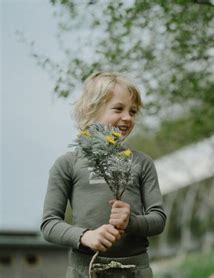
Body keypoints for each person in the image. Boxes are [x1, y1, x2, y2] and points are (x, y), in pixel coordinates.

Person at [41, 72, 167, 277]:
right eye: (118, 108)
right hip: (86, 270)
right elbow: (49, 224)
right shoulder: (67, 164)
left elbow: (158, 219)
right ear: (91, 109)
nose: (127, 117)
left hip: (135, 270)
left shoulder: (142, 163)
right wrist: (85, 236)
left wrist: (131, 222)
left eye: (133, 112)